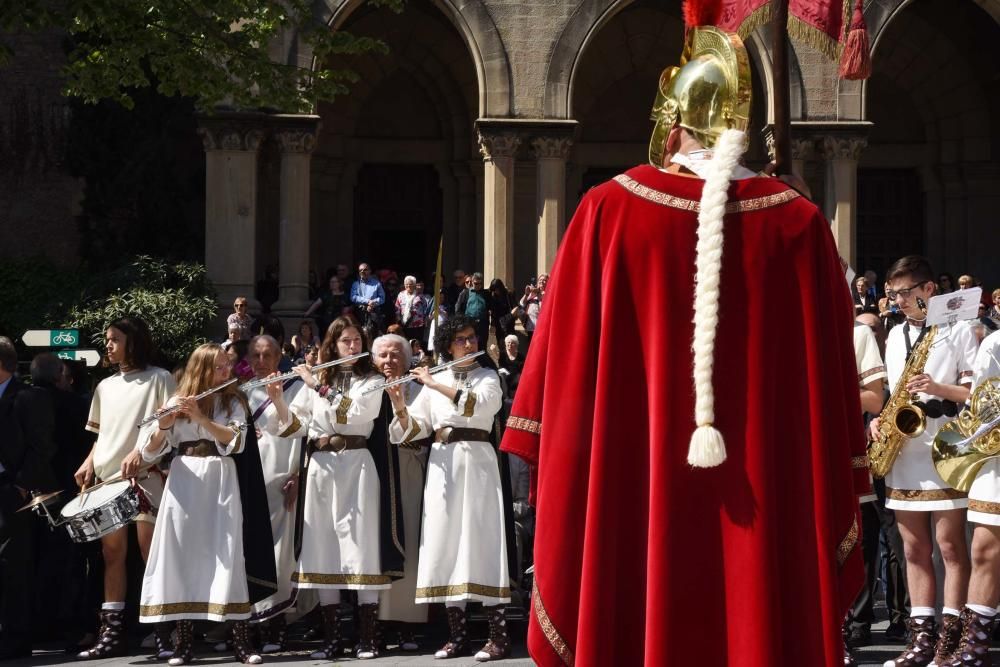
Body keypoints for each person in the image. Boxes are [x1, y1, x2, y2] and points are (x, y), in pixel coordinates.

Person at [499, 15, 866, 667]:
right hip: (768, 498)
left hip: (633, 493)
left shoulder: (605, 212)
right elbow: (833, 391)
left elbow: (560, 377)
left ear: (672, 125)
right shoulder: (801, 224)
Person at [870, 255, 978, 667]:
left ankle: (951, 638)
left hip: (945, 448)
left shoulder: (961, 329)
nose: (897, 301)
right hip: (905, 449)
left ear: (929, 290)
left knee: (950, 547)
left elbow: (975, 393)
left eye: (904, 293)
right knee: (913, 549)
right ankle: (920, 639)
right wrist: (879, 419)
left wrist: (937, 387)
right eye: (894, 294)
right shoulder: (896, 334)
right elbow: (891, 390)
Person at [138, 343, 275, 666]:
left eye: (227, 366)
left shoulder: (234, 400)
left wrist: (200, 416)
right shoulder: (176, 400)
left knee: (227, 552)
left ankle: (241, 641)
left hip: (220, 477)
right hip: (184, 479)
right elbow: (149, 452)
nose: (226, 371)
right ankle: (183, 643)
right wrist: (165, 423)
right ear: (200, 369)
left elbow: (236, 441)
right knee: (182, 553)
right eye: (219, 367)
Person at [388, 316, 515, 662]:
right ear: (447, 346)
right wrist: (400, 405)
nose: (469, 344)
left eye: (471, 338)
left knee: (482, 540)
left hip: (477, 461)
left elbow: (481, 407)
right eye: (460, 340)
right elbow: (414, 429)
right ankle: (457, 637)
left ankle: (497, 637)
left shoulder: (488, 376)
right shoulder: (435, 380)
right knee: (445, 541)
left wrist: (432, 382)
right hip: (443, 464)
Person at [287, 317, 396, 660]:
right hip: (321, 466)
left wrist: (317, 387)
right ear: (332, 345)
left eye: (356, 341)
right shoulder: (316, 379)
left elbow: (355, 412)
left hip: (356, 463)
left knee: (359, 544)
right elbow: (292, 424)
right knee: (324, 544)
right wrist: (278, 398)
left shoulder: (371, 380)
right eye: (345, 341)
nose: (352, 346)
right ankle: (332, 639)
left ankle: (368, 637)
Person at [74, 316, 177, 660]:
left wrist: (142, 452)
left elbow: (169, 428)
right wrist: (89, 461)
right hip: (107, 481)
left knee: (151, 554)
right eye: (108, 339)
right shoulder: (105, 386)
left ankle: (164, 631)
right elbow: (102, 435)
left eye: (114, 339)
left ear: (133, 341)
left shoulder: (160, 378)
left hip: (145, 477)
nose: (108, 345)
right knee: (112, 556)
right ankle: (112, 633)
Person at [934, 329, 1000, 664]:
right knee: (984, 549)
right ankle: (973, 650)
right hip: (997, 460)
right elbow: (982, 404)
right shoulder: (994, 343)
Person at [243, 336, 307, 652]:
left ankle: (278, 625)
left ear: (280, 356)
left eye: (268, 354)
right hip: (251, 483)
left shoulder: (296, 388)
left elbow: (306, 435)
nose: (261, 360)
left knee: (281, 556)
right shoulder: (240, 394)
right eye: (255, 355)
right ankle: (252, 625)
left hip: (283, 480)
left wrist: (298, 475)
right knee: (252, 555)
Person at [0, 339, 57, 659]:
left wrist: (21, 486)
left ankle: (15, 637)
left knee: (13, 565)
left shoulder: (29, 397)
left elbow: (42, 446)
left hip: (10, 491)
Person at [372, 334, 429, 650]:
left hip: (407, 467)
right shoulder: (365, 389)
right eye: (383, 355)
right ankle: (374, 623)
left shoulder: (419, 389)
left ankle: (408, 623)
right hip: (375, 472)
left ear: (408, 360)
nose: (389, 360)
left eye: (396, 354)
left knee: (408, 540)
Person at [843, 320, 888, 660]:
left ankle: (845, 627)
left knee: (849, 541)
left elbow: (875, 399)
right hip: (793, 451)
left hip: (843, 450)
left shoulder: (857, 333)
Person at [456, 272, 491, 348]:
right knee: (471, 345)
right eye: (475, 283)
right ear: (472, 282)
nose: (478, 286)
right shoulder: (465, 293)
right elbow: (458, 309)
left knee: (482, 347)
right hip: (470, 324)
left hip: (483, 325)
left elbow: (492, 308)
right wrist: (462, 323)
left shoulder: (486, 294)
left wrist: (493, 323)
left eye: (479, 284)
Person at [350, 263, 386, 334]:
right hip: (359, 313)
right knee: (359, 334)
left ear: (370, 271)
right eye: (360, 270)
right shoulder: (355, 284)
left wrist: (372, 303)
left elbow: (382, 298)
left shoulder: (377, 283)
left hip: (373, 312)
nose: (362, 271)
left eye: (365, 270)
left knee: (374, 334)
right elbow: (353, 297)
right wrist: (368, 301)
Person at [395, 275, 428, 344]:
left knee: (417, 343)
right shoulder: (401, 294)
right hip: (404, 324)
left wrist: (425, 320)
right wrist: (398, 319)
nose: (408, 286)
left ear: (414, 285)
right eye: (406, 284)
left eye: (411, 284)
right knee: (406, 343)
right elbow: (397, 307)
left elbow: (425, 309)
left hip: (418, 325)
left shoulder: (420, 295)